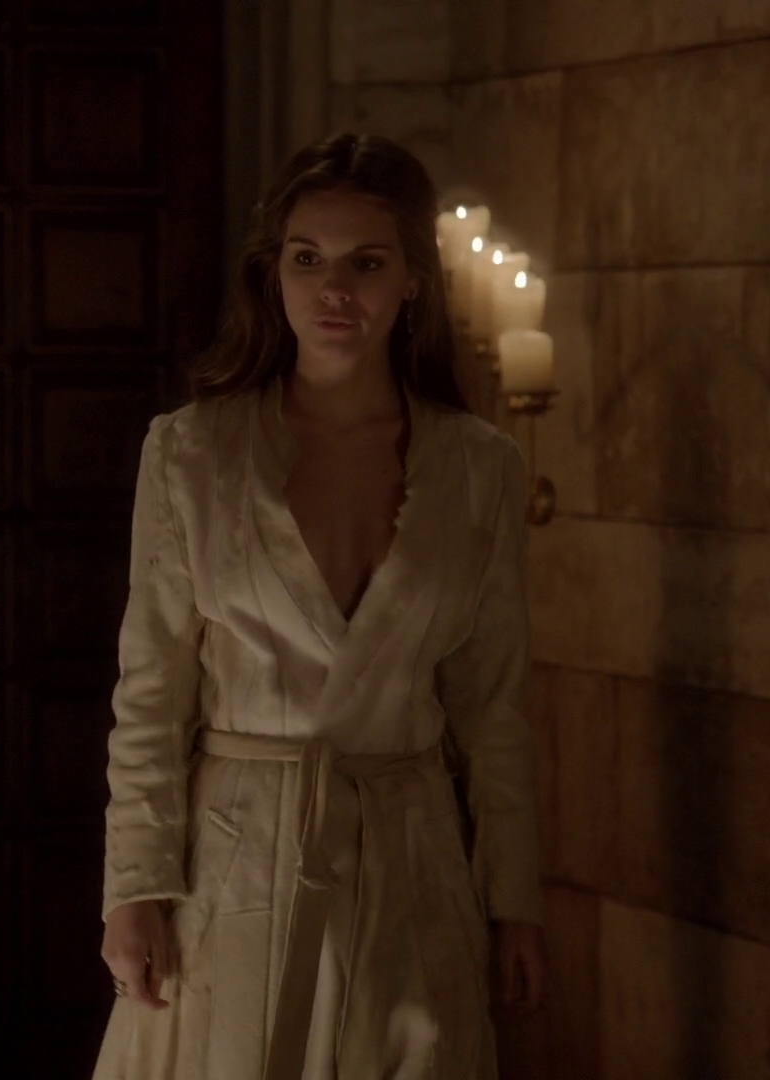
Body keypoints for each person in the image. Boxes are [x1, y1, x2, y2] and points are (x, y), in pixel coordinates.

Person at [92, 131, 549, 1080]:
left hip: (409, 861)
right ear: (275, 273)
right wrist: (133, 890)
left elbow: (493, 708)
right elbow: (151, 695)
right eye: (308, 259)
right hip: (238, 861)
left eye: (366, 263)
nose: (334, 289)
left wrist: (513, 903)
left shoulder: (479, 471)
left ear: (413, 281)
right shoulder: (193, 455)